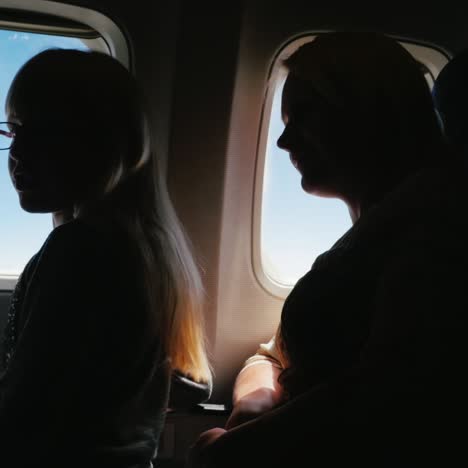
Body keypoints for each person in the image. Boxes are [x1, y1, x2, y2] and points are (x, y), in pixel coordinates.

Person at [188, 32, 468, 468]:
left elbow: (385, 396)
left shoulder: (433, 230)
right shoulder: (372, 233)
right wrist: (258, 397)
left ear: (363, 112)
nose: (284, 143)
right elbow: (273, 352)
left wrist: (232, 453)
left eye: (301, 118)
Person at [0, 49, 211, 467]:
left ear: (104, 143)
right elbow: (195, 385)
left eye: (44, 132)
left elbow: (19, 419)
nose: (18, 152)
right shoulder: (149, 251)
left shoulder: (78, 253)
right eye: (16, 130)